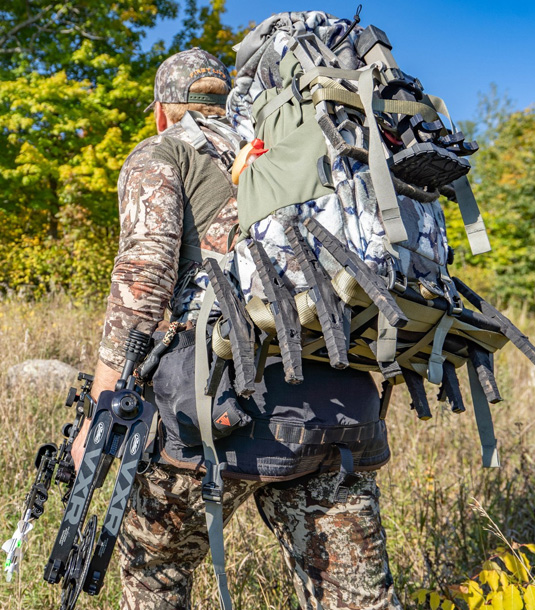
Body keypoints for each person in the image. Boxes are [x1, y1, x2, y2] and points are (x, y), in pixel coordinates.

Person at [73, 47, 402, 610]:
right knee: (357, 599)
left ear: (162, 111)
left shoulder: (162, 152)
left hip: (210, 411)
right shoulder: (293, 149)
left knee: (156, 569)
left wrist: (100, 410)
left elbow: (143, 276)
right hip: (335, 406)